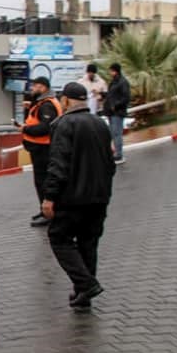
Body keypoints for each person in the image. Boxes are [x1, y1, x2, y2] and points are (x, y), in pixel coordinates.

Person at [41, 81, 116, 309]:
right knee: (88, 243)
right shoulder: (100, 123)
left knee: (59, 238)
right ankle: (83, 295)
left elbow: (58, 164)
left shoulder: (63, 124)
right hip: (99, 197)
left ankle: (86, 284)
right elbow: (111, 161)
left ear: (65, 100)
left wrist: (49, 197)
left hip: (72, 198)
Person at [16, 76, 63, 227]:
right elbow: (35, 119)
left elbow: (45, 127)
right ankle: (44, 210)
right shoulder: (42, 103)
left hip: (44, 148)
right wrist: (28, 107)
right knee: (41, 181)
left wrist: (25, 129)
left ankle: (48, 214)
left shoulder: (47, 105)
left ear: (42, 87)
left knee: (43, 181)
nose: (32, 89)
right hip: (40, 148)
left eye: (34, 86)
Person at [102, 63, 131, 164]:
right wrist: (102, 94)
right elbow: (111, 95)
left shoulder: (122, 82)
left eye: (111, 71)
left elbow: (126, 97)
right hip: (111, 112)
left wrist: (116, 105)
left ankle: (119, 155)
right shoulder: (114, 82)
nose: (110, 73)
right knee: (112, 133)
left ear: (115, 71)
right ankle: (115, 153)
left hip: (117, 112)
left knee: (117, 133)